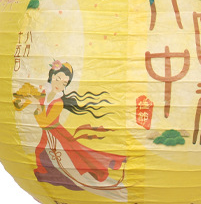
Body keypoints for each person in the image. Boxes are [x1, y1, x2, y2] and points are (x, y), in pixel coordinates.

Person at [20, 62, 126, 191]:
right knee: (43, 152)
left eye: (64, 83)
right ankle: (50, 175)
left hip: (55, 133)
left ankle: (73, 178)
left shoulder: (58, 102)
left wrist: (37, 105)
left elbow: (46, 122)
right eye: (58, 79)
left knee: (71, 157)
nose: (59, 85)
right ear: (52, 76)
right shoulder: (43, 94)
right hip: (47, 133)